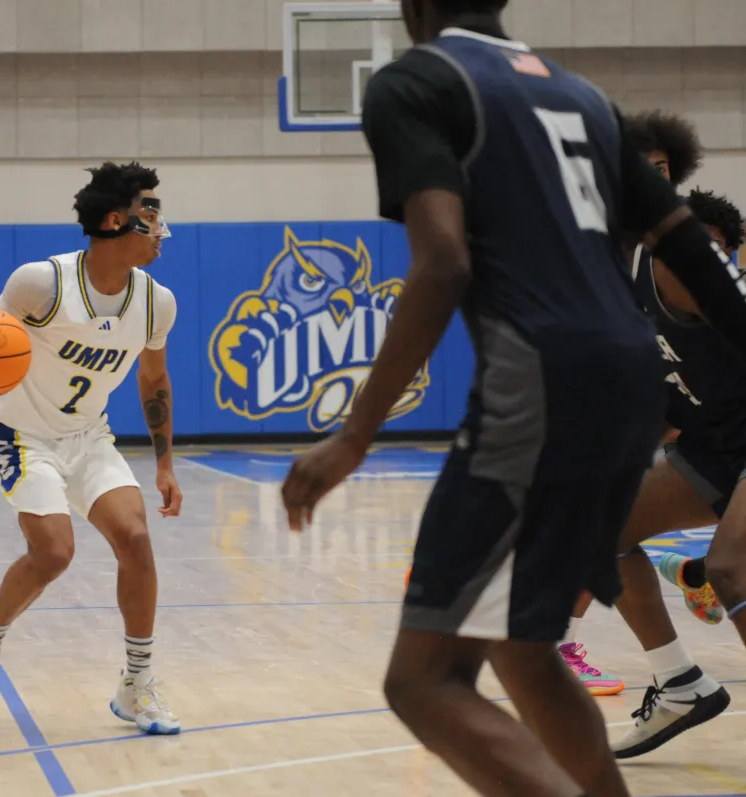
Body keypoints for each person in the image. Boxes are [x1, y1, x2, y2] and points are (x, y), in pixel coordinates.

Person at [280, 2, 746, 796]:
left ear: (411, 6)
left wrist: (354, 435)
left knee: (423, 680)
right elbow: (693, 252)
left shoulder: (419, 82)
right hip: (634, 381)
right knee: (521, 650)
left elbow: (442, 264)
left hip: (540, 382)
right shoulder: (583, 96)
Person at [0, 162, 183, 735]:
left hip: (88, 436)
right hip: (21, 435)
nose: (160, 223)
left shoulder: (155, 302)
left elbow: (154, 380)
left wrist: (164, 462)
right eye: (150, 211)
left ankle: (136, 683)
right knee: (54, 552)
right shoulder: (40, 284)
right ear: (117, 221)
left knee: (137, 538)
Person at [557, 109, 706, 697]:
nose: (653, 180)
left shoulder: (683, 246)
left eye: (664, 170)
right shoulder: (592, 244)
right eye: (640, 169)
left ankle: (697, 575)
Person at [593, 187, 743, 759]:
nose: (708, 264)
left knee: (728, 569)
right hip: (712, 449)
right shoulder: (636, 290)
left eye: (719, 252)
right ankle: (680, 685)